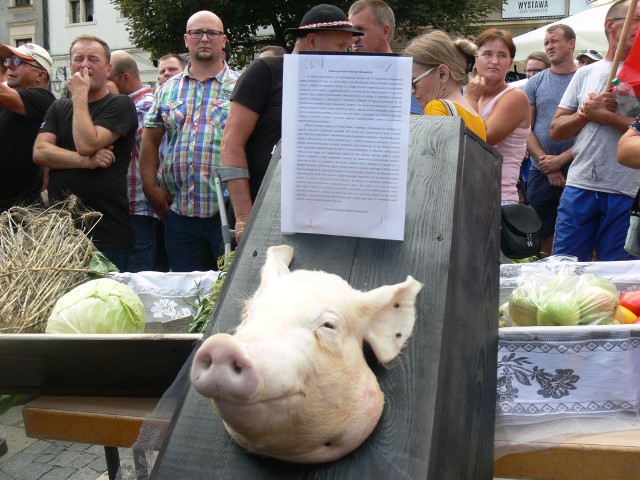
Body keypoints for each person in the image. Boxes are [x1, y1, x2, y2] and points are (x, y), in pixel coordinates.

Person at [220, 4, 362, 244]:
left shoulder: (339, 83)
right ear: (313, 41)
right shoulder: (266, 71)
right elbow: (231, 144)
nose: (346, 55)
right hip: (261, 212)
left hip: (319, 217)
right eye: (341, 47)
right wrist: (245, 215)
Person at [140, 11, 239, 271]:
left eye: (212, 33)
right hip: (179, 213)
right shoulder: (167, 89)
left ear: (223, 39)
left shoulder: (242, 86)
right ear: (186, 39)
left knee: (226, 292)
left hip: (228, 212)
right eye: (197, 32)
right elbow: (149, 142)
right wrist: (150, 187)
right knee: (189, 293)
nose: (204, 38)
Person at [33, 34, 138, 272]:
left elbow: (87, 143)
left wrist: (79, 96)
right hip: (61, 235)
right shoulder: (58, 107)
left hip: (107, 235)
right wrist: (84, 162)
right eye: (78, 59)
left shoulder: (120, 105)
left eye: (93, 59)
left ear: (108, 68)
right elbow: (40, 152)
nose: (84, 65)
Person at [549, 0, 640, 261]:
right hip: (579, 186)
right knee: (565, 270)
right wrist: (584, 114)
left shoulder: (639, 75)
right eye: (637, 19)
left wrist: (606, 116)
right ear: (611, 26)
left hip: (627, 190)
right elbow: (556, 130)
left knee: (620, 280)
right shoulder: (585, 73)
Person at [525, 24, 578, 258]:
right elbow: (525, 127)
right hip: (541, 170)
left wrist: (562, 160)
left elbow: (593, 129)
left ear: (571, 43)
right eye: (546, 42)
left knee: (576, 230)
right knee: (539, 233)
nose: (549, 46)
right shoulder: (535, 82)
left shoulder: (583, 78)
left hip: (579, 168)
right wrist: (547, 163)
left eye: (554, 41)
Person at [465, 28, 531, 204]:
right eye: (487, 54)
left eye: (502, 55)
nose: (494, 61)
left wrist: (470, 99)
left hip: (498, 199)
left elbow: (480, 140)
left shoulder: (515, 97)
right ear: (475, 60)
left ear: (510, 63)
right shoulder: (473, 95)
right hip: (470, 194)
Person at [109, 50, 158, 272]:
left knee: (138, 272)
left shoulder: (145, 105)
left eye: (107, 79)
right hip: (125, 204)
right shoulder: (129, 104)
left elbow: (111, 139)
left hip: (138, 203)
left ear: (124, 78)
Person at [0, 43, 55, 211]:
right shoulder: (9, 102)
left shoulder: (44, 98)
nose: (9, 65)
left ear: (40, 75)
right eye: (8, 60)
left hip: (19, 209)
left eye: (18, 62)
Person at [403, 30, 485, 140]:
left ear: (443, 74)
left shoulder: (436, 107)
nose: (411, 90)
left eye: (414, 81)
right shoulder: (477, 120)